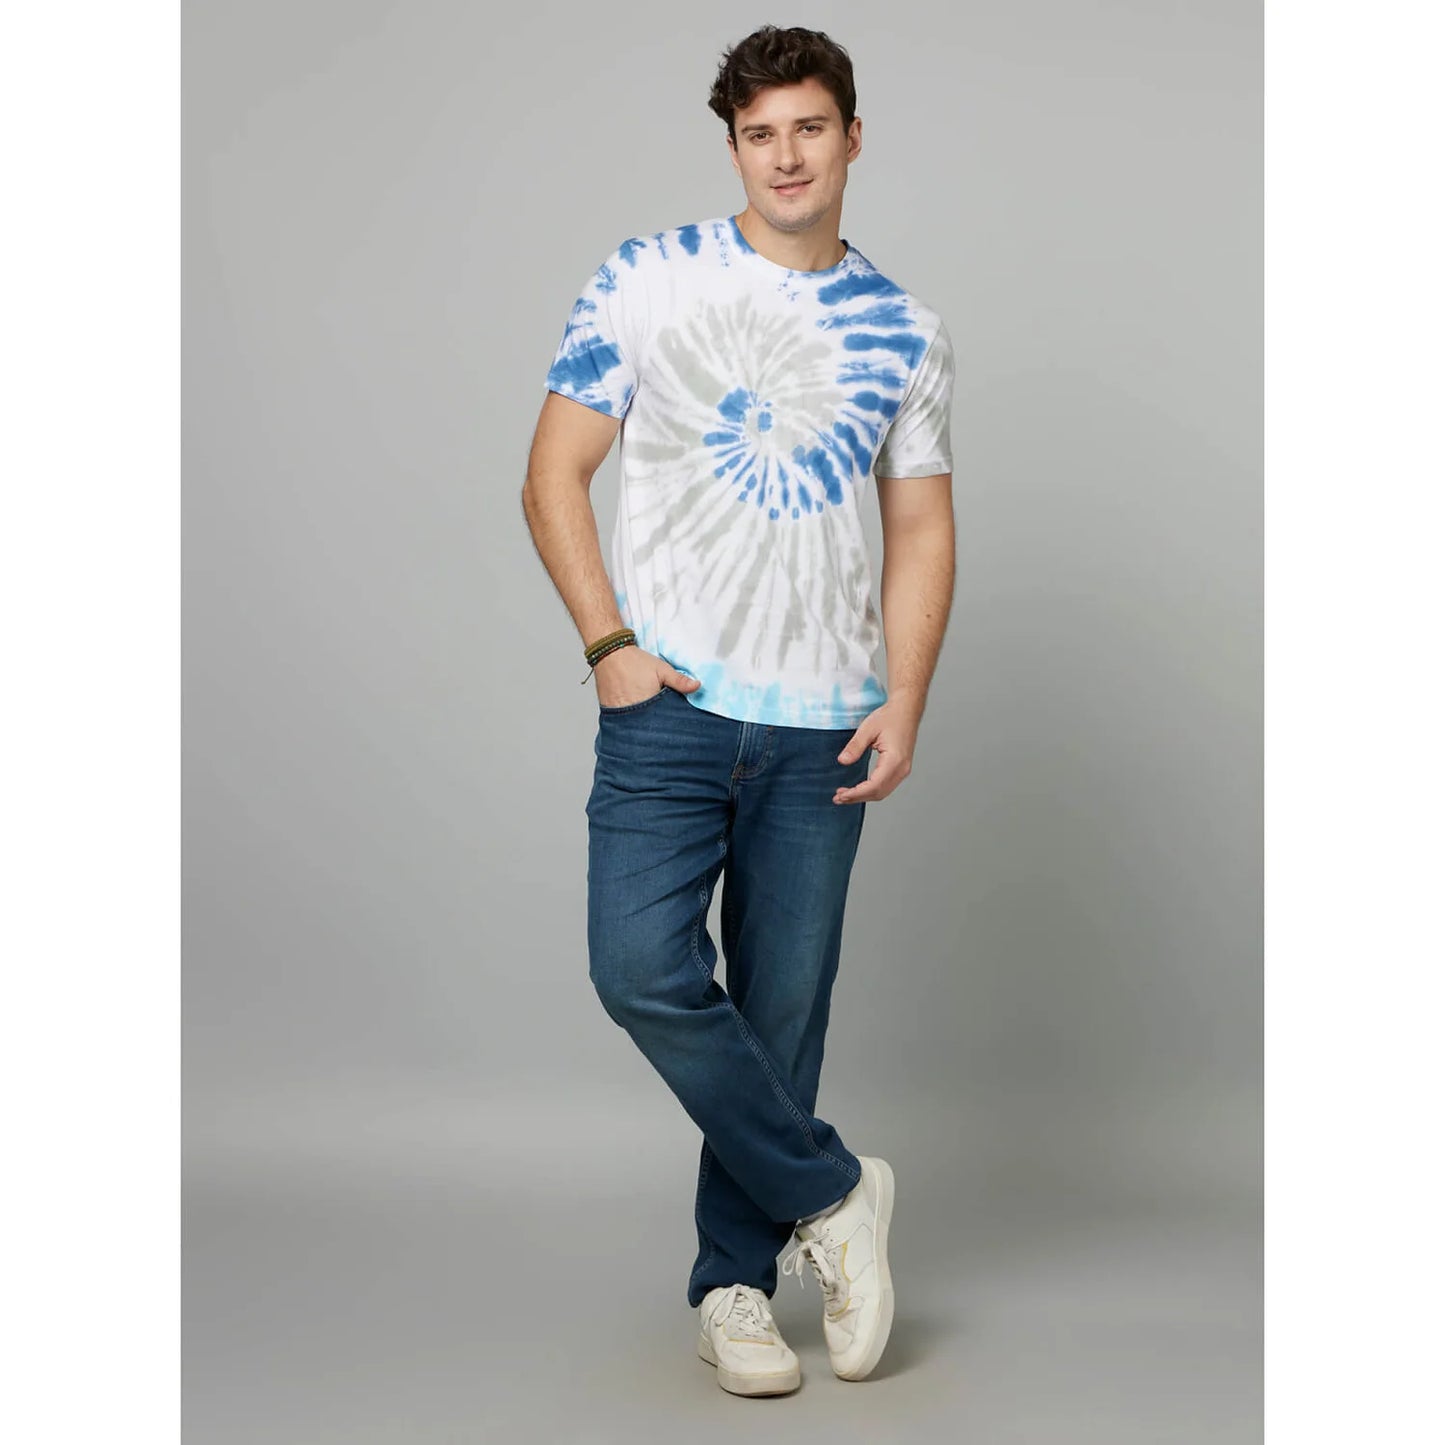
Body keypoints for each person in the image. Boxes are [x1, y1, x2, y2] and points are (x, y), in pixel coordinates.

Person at [521, 24, 955, 1395]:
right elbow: (551, 472)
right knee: (639, 971)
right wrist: (608, 643)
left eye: (808, 127)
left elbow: (921, 528)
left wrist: (905, 696)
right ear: (734, 150)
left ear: (852, 137)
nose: (785, 156)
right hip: (671, 705)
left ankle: (734, 1288)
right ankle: (836, 1191)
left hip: (825, 719)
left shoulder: (906, 330)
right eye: (759, 134)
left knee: (781, 1014)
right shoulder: (646, 278)